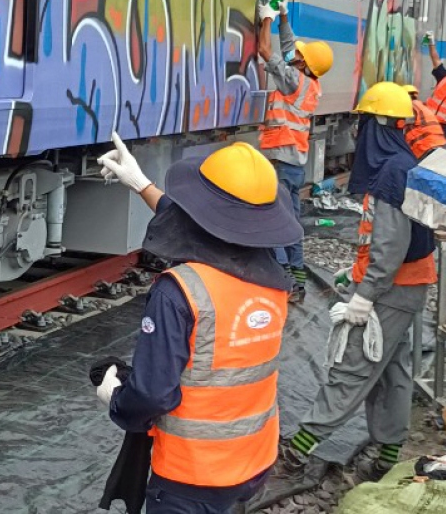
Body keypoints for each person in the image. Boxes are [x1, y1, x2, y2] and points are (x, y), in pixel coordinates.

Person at [94, 137, 301, 514]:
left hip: (191, 476)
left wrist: (117, 399)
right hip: (251, 460)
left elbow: (153, 395)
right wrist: (141, 183)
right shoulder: (273, 277)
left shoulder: (181, 293)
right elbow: (212, 230)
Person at [278, 82, 436, 486]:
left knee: (354, 366)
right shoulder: (403, 164)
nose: (357, 132)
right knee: (391, 371)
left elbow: (390, 246)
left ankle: (299, 448)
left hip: (392, 290)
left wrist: (364, 296)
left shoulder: (392, 174)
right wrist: (357, 272)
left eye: (363, 123)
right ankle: (387, 454)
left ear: (379, 124)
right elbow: (385, 241)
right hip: (405, 285)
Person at [256, 0, 333, 304]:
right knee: (291, 225)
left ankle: (282, 280)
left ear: (304, 64)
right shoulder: (309, 83)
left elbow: (266, 50)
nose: (295, 55)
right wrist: (285, 17)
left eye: (300, 56)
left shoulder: (292, 80)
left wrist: (266, 18)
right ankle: (297, 283)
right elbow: (290, 51)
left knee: (274, 224)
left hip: (280, 161)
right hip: (294, 164)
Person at [401, 84, 446, 159]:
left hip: (427, 146)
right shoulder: (420, 106)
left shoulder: (411, 107)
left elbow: (399, 123)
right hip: (438, 144)